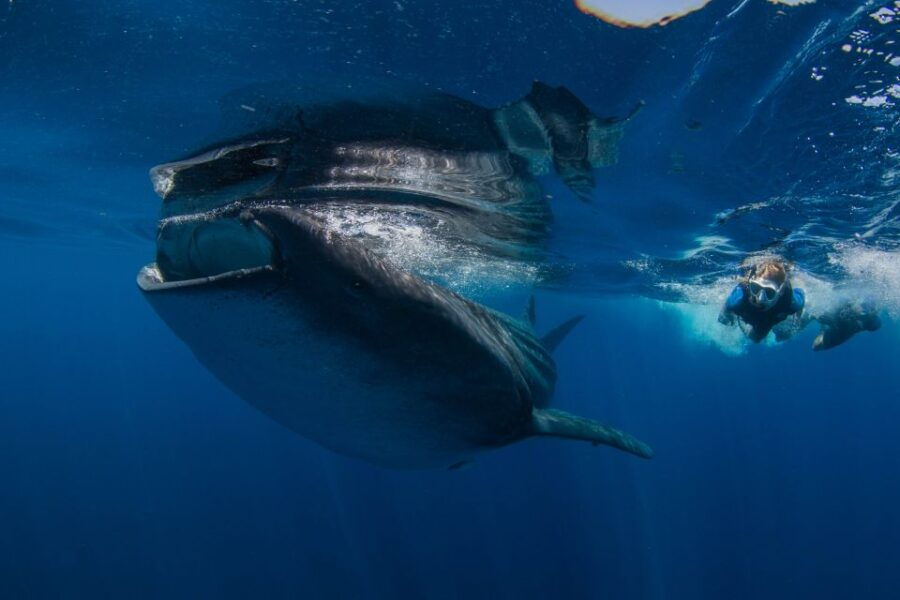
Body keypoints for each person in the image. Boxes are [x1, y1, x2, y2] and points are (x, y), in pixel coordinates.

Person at [718, 260, 805, 343]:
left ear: (780, 292)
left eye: (769, 292)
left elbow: (801, 297)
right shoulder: (739, 298)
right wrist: (727, 317)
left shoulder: (789, 301)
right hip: (758, 316)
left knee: (776, 336)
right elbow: (726, 307)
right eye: (756, 288)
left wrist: (796, 321)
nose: (760, 299)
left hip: (772, 316)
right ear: (750, 285)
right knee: (755, 338)